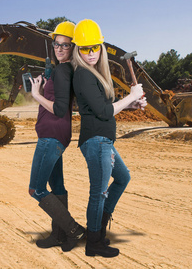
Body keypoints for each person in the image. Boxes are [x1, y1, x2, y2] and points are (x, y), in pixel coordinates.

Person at [71, 19, 147, 258]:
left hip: (103, 140)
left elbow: (105, 107)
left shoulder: (95, 75)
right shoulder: (83, 75)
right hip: (95, 141)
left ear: (101, 48)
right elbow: (104, 113)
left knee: (123, 178)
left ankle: (100, 225)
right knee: (99, 192)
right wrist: (132, 94)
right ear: (77, 50)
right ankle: (94, 242)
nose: (91, 53)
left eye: (94, 47)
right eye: (85, 48)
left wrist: (132, 103)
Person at [28, 21, 85, 252]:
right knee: (57, 186)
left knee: (36, 190)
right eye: (56, 44)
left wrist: (35, 94)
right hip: (59, 135)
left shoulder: (63, 70)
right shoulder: (66, 69)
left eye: (65, 45)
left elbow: (60, 108)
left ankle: (73, 229)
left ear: (74, 48)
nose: (59, 48)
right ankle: (59, 235)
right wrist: (44, 85)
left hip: (51, 136)